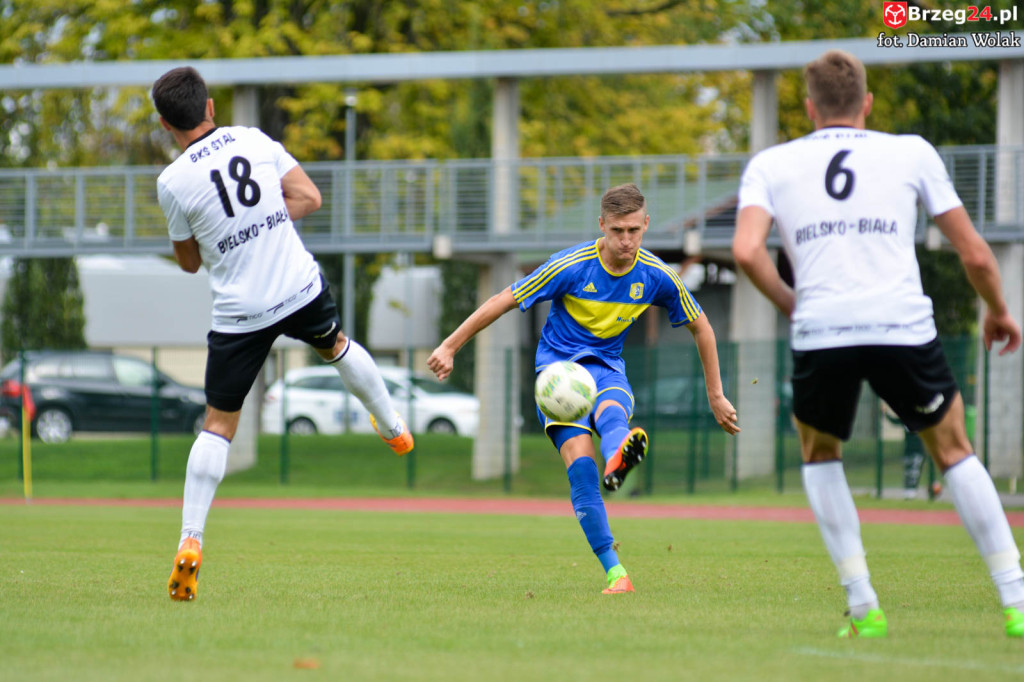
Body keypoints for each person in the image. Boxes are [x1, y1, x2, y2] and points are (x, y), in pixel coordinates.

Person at [732, 49, 1024, 638]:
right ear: (866, 102)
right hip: (902, 326)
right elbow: (973, 252)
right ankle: (1016, 601)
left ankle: (864, 607)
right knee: (954, 449)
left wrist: (793, 304)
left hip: (822, 331)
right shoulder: (910, 150)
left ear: (811, 108)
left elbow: (744, 251)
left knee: (820, 455)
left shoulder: (771, 163)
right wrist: (997, 311)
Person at [152, 66, 413, 602]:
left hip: (238, 312)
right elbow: (309, 198)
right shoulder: (252, 140)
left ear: (164, 124)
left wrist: (228, 240)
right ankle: (392, 426)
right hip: (297, 287)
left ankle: (191, 540)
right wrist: (270, 220)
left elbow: (187, 262)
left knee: (218, 425)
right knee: (336, 345)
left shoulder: (172, 182)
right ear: (210, 108)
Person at [428, 183, 740, 594]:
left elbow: (703, 327)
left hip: (608, 370)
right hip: (558, 378)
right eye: (616, 231)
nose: (626, 240)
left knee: (612, 410)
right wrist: (450, 345)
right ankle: (616, 572)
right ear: (602, 226)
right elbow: (502, 300)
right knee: (581, 472)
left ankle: (619, 457)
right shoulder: (571, 266)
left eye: (633, 230)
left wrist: (715, 395)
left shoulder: (657, 276)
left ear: (646, 225)